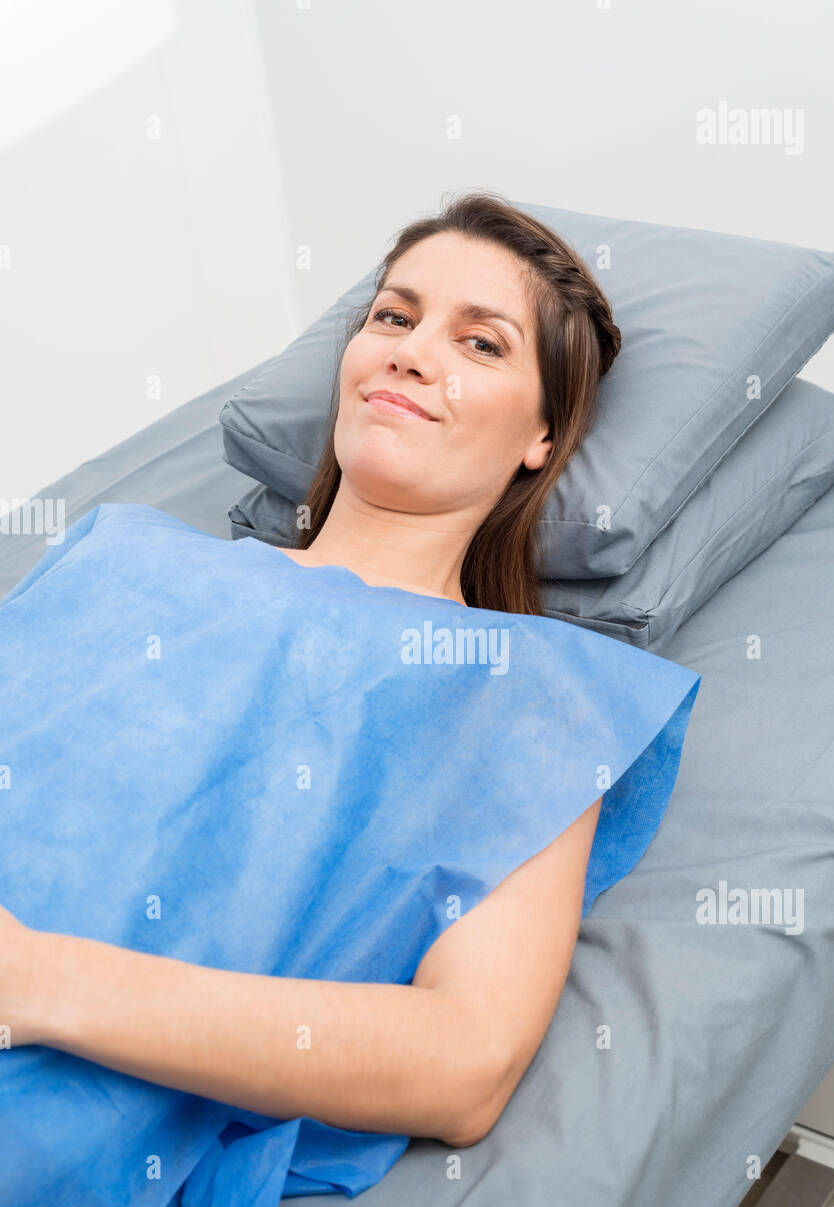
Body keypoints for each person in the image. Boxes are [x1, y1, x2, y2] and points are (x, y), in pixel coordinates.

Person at [0, 192, 624, 1153]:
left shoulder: (518, 694)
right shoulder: (121, 552)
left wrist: (37, 981)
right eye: (394, 316)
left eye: (483, 344)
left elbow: (464, 1061)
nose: (412, 352)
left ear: (543, 439)